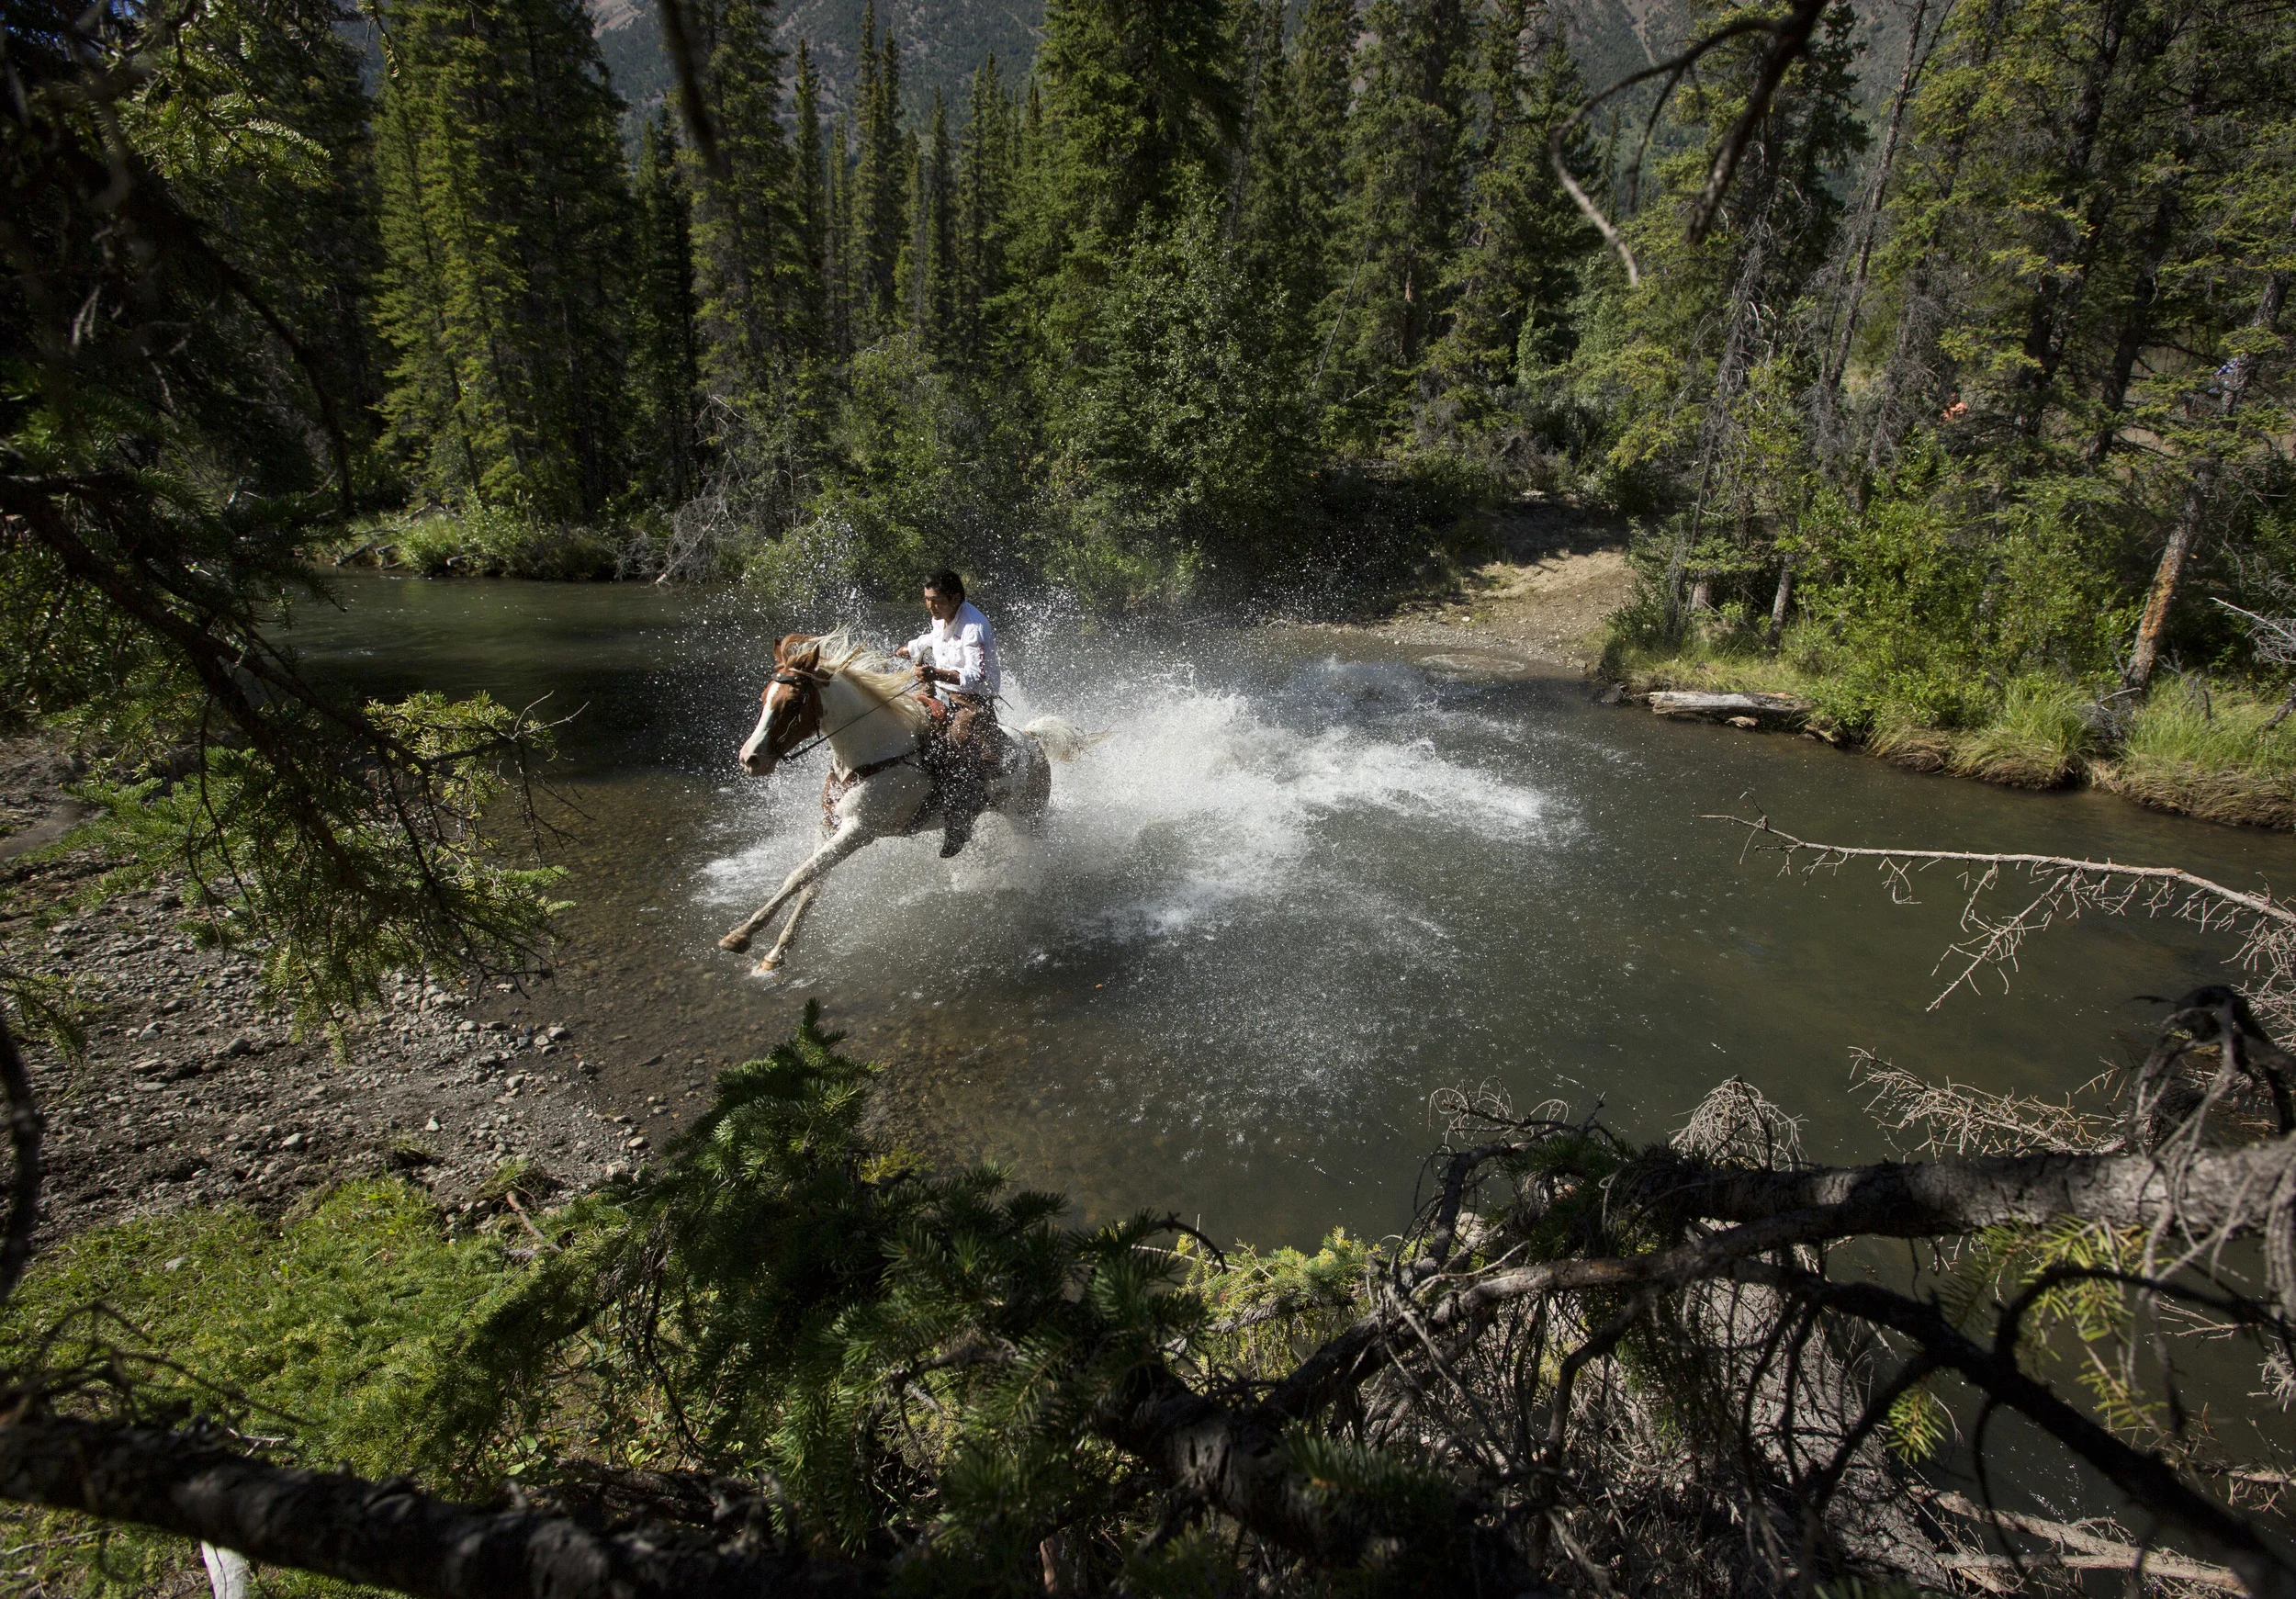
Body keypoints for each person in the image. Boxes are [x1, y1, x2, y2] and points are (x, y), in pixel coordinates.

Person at [894, 569, 1003, 856]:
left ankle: (961, 819)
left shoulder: (974, 628)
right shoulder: (941, 615)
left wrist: (934, 671)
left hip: (972, 703)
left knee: (956, 740)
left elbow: (976, 675)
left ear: (955, 598)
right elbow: (934, 637)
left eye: (936, 601)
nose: (931, 606)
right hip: (943, 693)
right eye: (927, 600)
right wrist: (912, 647)